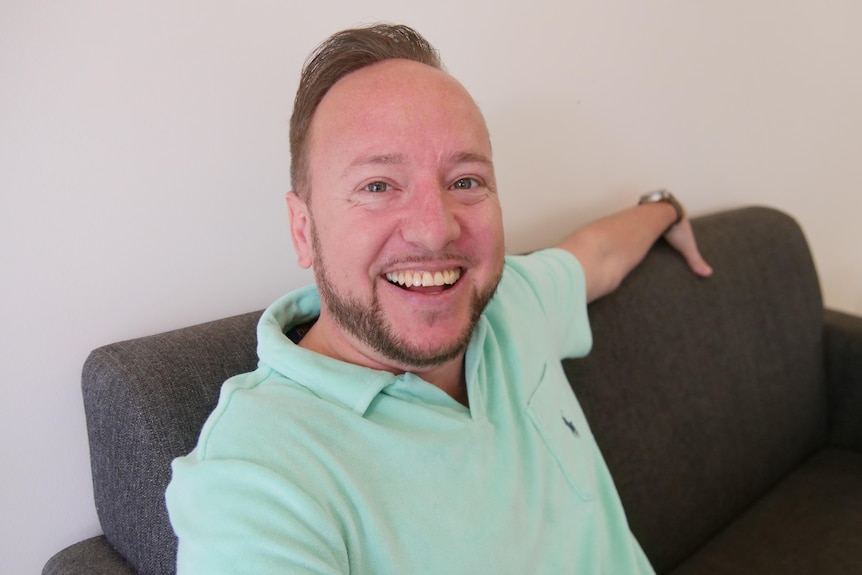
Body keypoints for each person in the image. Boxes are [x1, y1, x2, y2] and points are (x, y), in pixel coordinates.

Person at [166, 24, 712, 574]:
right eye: (378, 186)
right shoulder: (252, 483)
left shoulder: (508, 302)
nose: (435, 231)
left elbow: (597, 257)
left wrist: (665, 208)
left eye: (466, 181)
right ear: (303, 230)